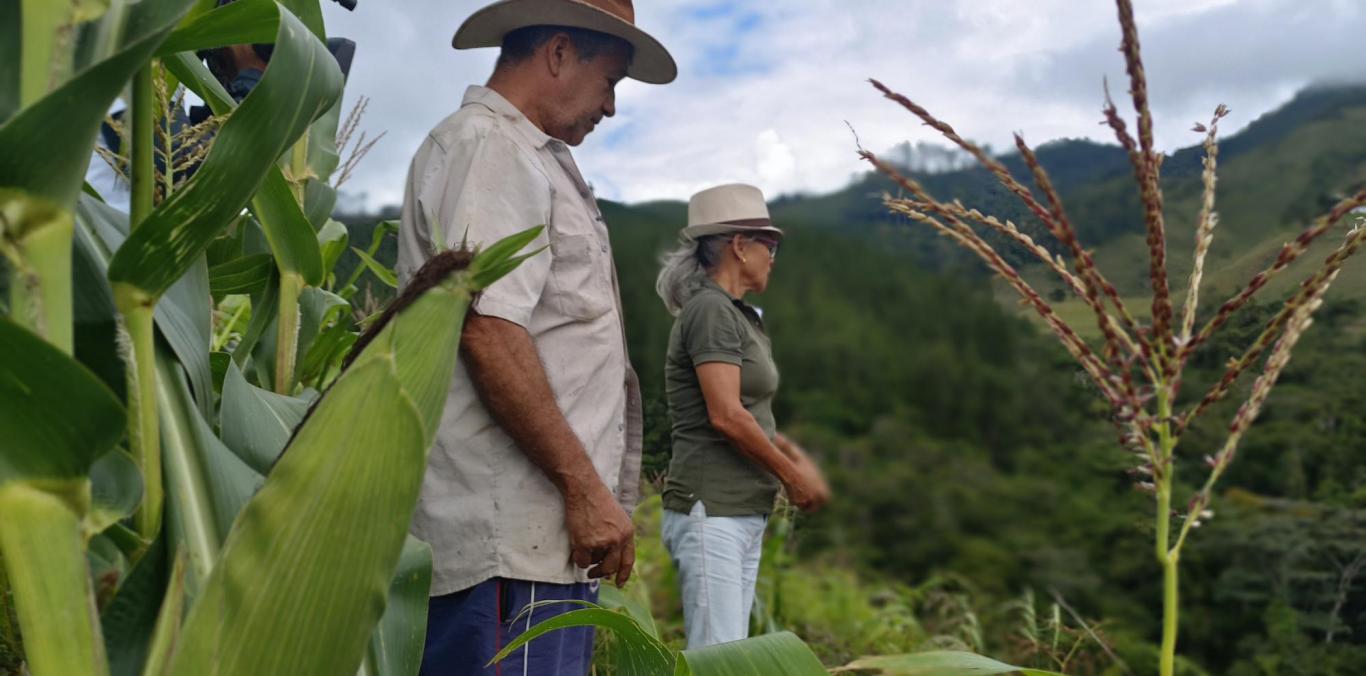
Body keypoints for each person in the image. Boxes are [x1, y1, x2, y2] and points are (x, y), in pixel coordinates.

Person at [393, 1, 676, 674]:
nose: (610, 106)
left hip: (535, 545)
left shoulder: (527, 158)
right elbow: (489, 331)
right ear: (557, 53)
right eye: (610, 79)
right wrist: (584, 490)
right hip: (503, 545)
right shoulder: (490, 148)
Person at [655, 183, 832, 648]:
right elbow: (728, 416)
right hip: (712, 509)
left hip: (738, 510)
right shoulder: (711, 311)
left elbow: (754, 412)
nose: (773, 256)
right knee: (719, 659)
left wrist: (790, 457)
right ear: (739, 246)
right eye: (768, 245)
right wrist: (792, 477)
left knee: (729, 653)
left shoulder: (738, 315)